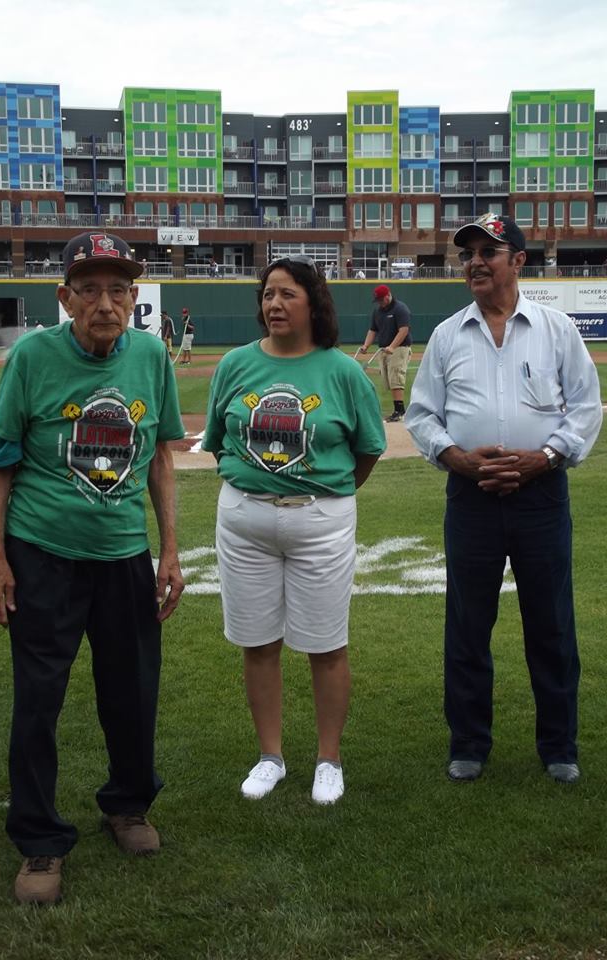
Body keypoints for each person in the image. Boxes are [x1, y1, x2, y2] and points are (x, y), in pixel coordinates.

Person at [0, 231, 185, 905]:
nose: (106, 302)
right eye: (91, 288)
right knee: (38, 702)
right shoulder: (33, 358)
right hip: (41, 553)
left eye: (119, 288)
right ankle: (40, 841)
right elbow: (1, 462)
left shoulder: (151, 355)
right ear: (64, 296)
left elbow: (162, 456)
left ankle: (127, 806)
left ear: (135, 297)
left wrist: (170, 549)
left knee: (132, 689)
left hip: (122, 555)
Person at [405, 213, 602, 786]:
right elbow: (422, 415)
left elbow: (584, 408)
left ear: (518, 260)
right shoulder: (447, 335)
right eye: (467, 253)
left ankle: (559, 745)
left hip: (541, 497)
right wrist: (455, 458)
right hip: (471, 498)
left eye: (488, 252)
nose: (474, 262)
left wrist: (544, 457)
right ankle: (468, 743)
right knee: (468, 625)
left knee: (552, 624)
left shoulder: (556, 329)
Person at [203, 254, 386, 806]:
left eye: (287, 294)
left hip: (321, 518)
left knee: (326, 644)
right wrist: (251, 488)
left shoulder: (342, 370)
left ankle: (328, 759)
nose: (275, 304)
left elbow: (368, 448)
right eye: (267, 295)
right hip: (245, 519)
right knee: (258, 642)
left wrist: (329, 494)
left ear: (314, 303)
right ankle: (270, 756)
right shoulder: (235, 364)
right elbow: (218, 439)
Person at [357, 284, 412, 423]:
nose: (380, 303)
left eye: (381, 300)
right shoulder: (377, 311)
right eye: (378, 301)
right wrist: (366, 345)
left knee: (396, 377)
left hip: (399, 348)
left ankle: (400, 411)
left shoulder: (400, 309)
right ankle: (397, 410)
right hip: (383, 350)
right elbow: (372, 330)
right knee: (387, 381)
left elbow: (404, 330)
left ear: (388, 295)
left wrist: (393, 346)